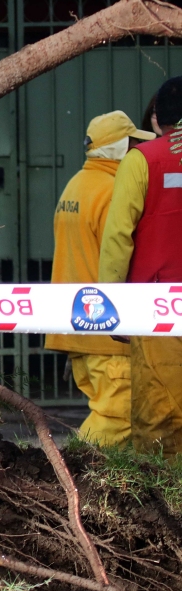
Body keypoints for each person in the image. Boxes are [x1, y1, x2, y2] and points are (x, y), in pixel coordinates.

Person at [45, 111, 153, 446]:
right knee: (118, 413)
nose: (138, 150)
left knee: (113, 410)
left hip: (76, 322)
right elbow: (119, 255)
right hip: (105, 327)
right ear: (121, 148)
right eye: (133, 143)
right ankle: (75, 474)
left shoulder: (77, 184)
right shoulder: (111, 190)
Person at [99, 76, 182, 455]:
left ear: (155, 117)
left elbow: (118, 236)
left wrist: (111, 305)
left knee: (158, 415)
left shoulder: (144, 160)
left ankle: (163, 502)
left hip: (156, 306)